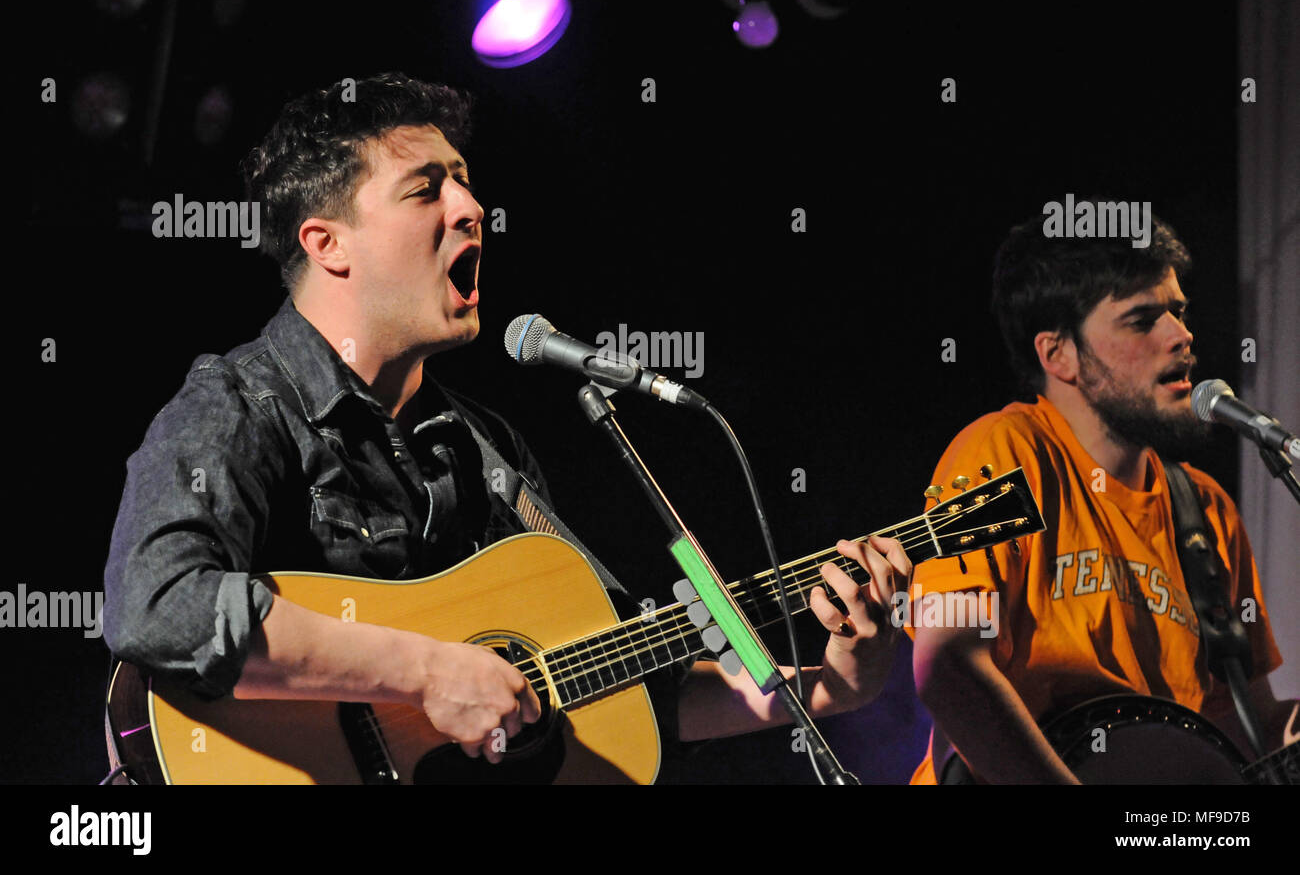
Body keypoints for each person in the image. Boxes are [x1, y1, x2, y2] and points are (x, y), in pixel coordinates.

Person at [103, 72, 910, 777]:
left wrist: (832, 686)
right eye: (427, 189)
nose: (472, 206)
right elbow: (160, 603)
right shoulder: (239, 401)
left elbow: (621, 680)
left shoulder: (484, 451)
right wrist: (424, 671)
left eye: (464, 181)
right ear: (327, 243)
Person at [908, 207, 1294, 784]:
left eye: (1179, 312)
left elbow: (1249, 726)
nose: (1181, 336)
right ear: (1057, 353)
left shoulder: (1205, 512)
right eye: (1142, 320)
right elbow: (946, 665)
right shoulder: (1004, 454)